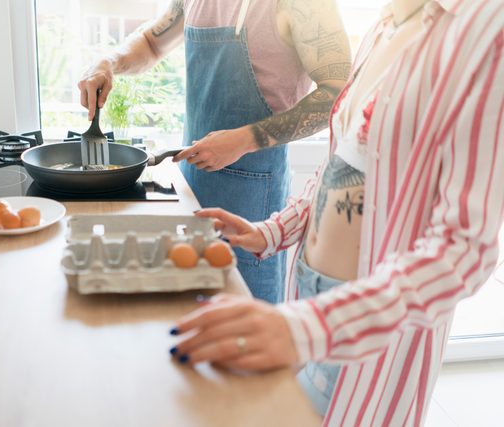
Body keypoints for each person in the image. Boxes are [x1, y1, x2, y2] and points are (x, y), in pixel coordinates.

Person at [169, 0, 504, 423]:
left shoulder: (485, 29)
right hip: (307, 291)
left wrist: (308, 327)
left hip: (364, 327)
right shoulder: (386, 24)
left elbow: (464, 250)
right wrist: (271, 231)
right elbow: (341, 164)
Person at [78, 0, 351, 303]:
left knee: (242, 325)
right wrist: (109, 62)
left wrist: (244, 139)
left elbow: (338, 93)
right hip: (191, 184)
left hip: (252, 198)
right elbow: (151, 44)